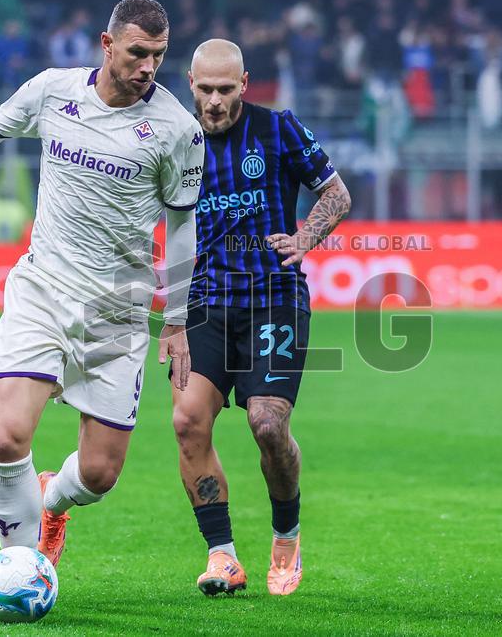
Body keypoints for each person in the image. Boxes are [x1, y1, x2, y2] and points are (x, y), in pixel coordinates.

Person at [0, 0, 203, 615]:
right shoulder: (53, 91)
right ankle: (20, 578)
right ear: (106, 46)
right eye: (137, 53)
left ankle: (52, 498)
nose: (147, 67)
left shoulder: (177, 129)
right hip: (43, 288)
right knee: (7, 435)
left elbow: (182, 228)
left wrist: (177, 318)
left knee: (100, 476)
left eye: (158, 56)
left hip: (121, 308)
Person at [172, 39, 351, 596]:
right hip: (205, 302)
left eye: (227, 90)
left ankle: (286, 533)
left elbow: (336, 195)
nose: (216, 101)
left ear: (245, 84)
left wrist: (305, 237)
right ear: (190, 83)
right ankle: (222, 556)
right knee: (187, 422)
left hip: (273, 296)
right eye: (206, 89)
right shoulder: (176, 142)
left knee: (268, 426)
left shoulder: (278, 129)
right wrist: (171, 317)